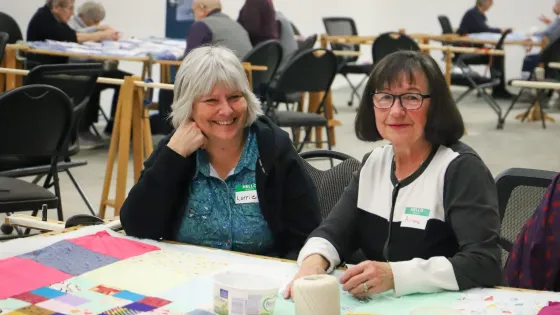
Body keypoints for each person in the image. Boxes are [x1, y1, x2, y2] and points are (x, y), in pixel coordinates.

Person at [284, 51, 502, 299]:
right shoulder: (374, 163)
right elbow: (332, 232)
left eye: (411, 98)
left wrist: (395, 276)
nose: (396, 111)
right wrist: (313, 263)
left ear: (436, 105)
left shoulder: (460, 169)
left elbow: (484, 263)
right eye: (385, 97)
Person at [120, 46, 321, 259]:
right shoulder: (176, 148)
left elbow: (307, 237)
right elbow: (137, 226)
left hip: (261, 283)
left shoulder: (272, 147)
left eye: (234, 97)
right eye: (211, 100)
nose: (226, 110)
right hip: (187, 278)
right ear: (189, 107)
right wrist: (173, 156)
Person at [26, 0, 120, 148]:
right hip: (48, 74)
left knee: (95, 74)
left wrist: (98, 30)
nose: (72, 13)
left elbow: (72, 34)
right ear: (56, 8)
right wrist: (101, 34)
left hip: (55, 69)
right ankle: (79, 131)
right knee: (91, 80)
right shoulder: (44, 19)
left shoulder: (53, 17)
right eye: (70, 9)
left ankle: (87, 129)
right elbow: (74, 37)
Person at [185, 0, 252, 59]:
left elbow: (189, 59)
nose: (194, 16)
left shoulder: (201, 25)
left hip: (223, 71)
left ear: (202, 9)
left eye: (194, 11)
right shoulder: (237, 25)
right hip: (248, 71)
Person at [522, 0, 560, 74]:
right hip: (553, 55)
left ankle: (526, 82)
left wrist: (532, 34)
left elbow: (548, 33)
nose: (553, 7)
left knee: (528, 60)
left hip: (553, 57)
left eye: (556, 5)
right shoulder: (557, 20)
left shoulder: (558, 20)